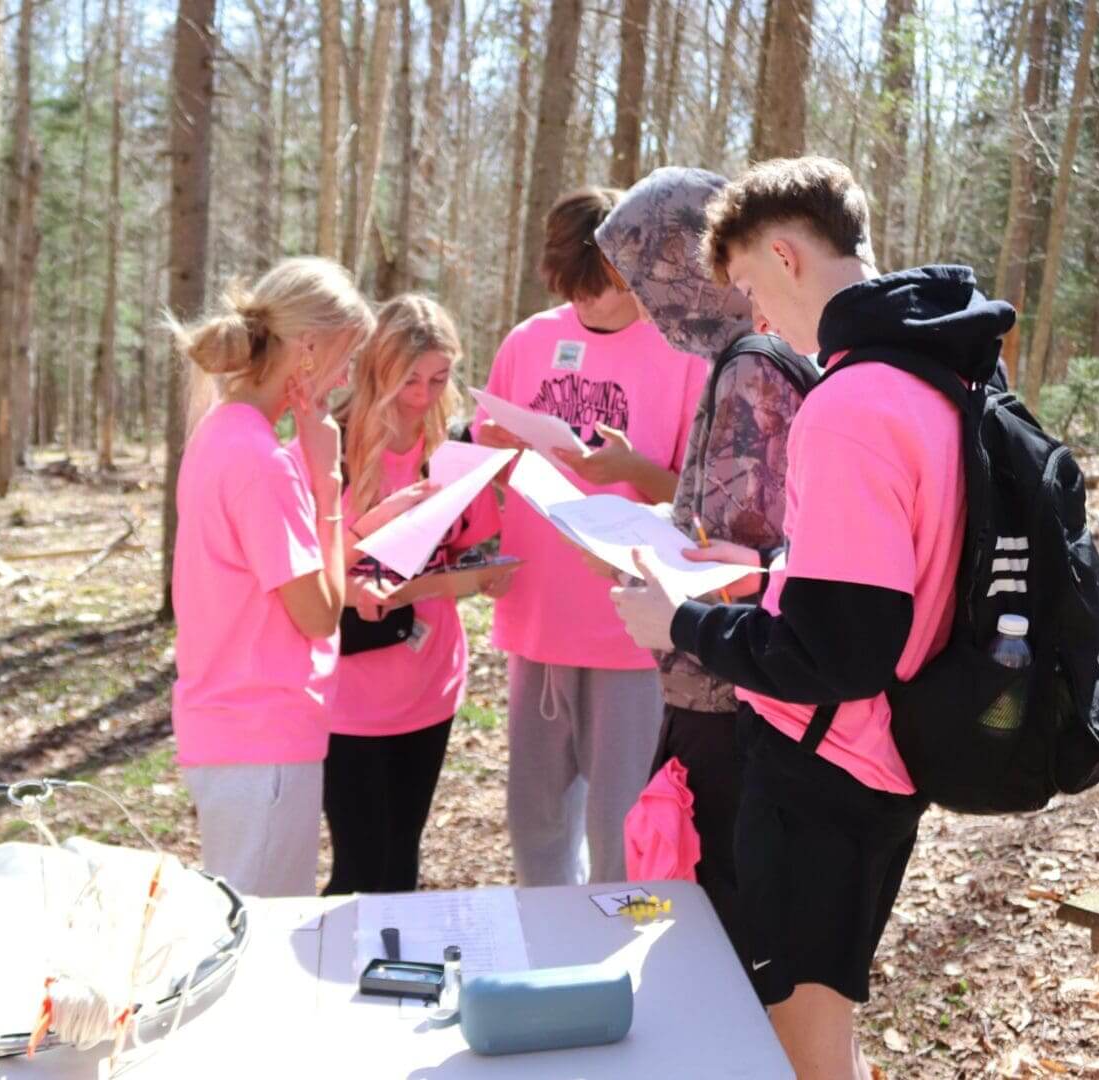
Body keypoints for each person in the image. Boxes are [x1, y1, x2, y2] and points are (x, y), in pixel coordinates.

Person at [610, 157, 1013, 1078]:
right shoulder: (938, 377)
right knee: (820, 1032)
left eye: (750, 285)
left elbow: (839, 653)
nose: (754, 316)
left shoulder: (849, 402)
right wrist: (765, 571)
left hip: (824, 767)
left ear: (786, 258)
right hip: (891, 755)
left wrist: (680, 625)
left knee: (801, 1053)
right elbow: (892, 579)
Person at [592, 166, 810, 955]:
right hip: (738, 684)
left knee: (706, 930)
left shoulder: (751, 367)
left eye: (651, 280)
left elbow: (741, 553)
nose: (650, 310)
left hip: (726, 695)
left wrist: (656, 565)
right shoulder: (770, 354)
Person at [473, 186, 707, 886]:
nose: (587, 305)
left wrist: (634, 468)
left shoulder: (682, 355)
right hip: (536, 617)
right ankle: (546, 969)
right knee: (536, 825)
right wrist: (491, 451)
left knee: (620, 829)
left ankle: (611, 973)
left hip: (628, 629)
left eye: (601, 289)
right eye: (572, 289)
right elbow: (491, 462)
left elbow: (701, 503)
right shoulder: (529, 341)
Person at [168, 256, 375, 898]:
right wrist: (327, 483)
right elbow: (317, 614)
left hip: (228, 727)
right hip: (263, 741)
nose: (345, 379)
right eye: (345, 359)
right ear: (307, 353)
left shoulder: (218, 432)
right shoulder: (264, 461)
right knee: (254, 940)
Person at [323, 295, 511, 895]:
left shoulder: (451, 444)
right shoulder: (331, 441)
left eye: (440, 378)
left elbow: (481, 544)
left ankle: (395, 981)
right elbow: (306, 565)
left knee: (402, 856)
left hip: (430, 682)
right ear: (378, 368)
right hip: (348, 692)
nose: (424, 395)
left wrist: (477, 573)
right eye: (410, 380)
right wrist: (359, 584)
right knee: (360, 869)